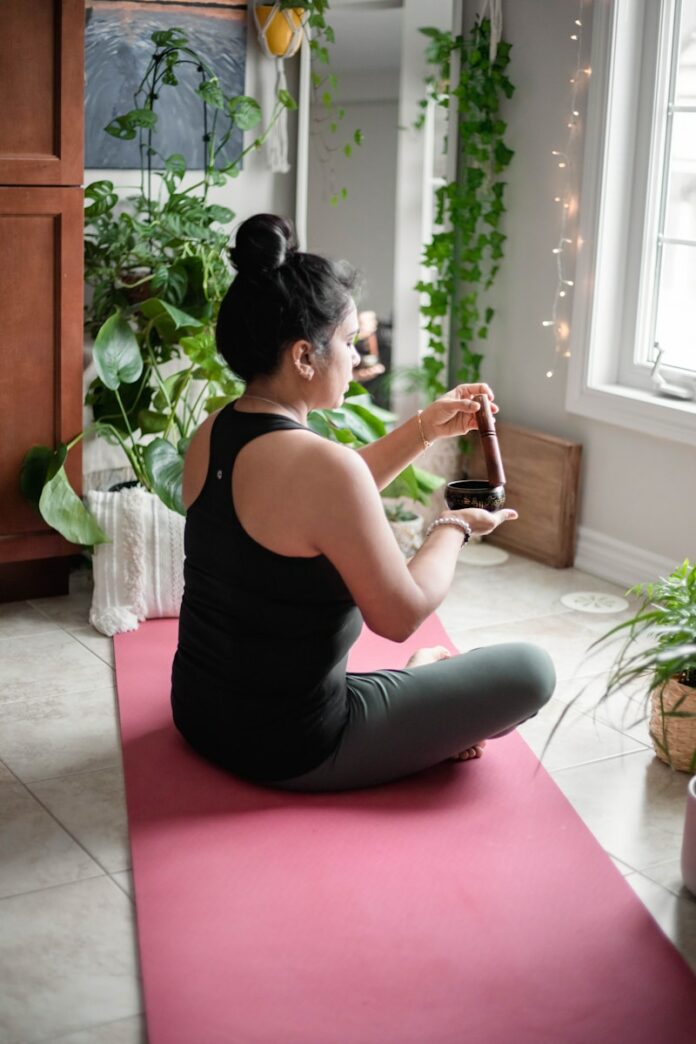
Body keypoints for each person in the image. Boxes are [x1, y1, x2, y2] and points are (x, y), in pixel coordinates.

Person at [171, 213, 555, 792]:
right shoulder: (324, 470)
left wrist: (424, 428)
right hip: (296, 746)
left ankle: (423, 694)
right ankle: (424, 691)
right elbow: (401, 616)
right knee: (532, 672)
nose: (357, 357)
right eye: (349, 342)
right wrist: (453, 526)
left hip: (200, 714)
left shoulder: (212, 432)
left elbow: (321, 502)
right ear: (304, 356)